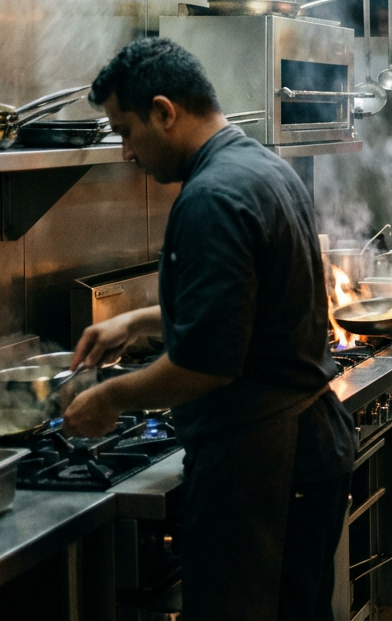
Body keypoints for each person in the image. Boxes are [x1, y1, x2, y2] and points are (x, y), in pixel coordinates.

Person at [63, 38, 356, 621]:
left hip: (261, 464)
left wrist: (108, 397)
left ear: (164, 112)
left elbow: (206, 365)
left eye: (125, 131)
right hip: (305, 445)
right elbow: (248, 307)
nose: (126, 152)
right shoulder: (262, 166)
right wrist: (138, 319)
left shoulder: (211, 198)